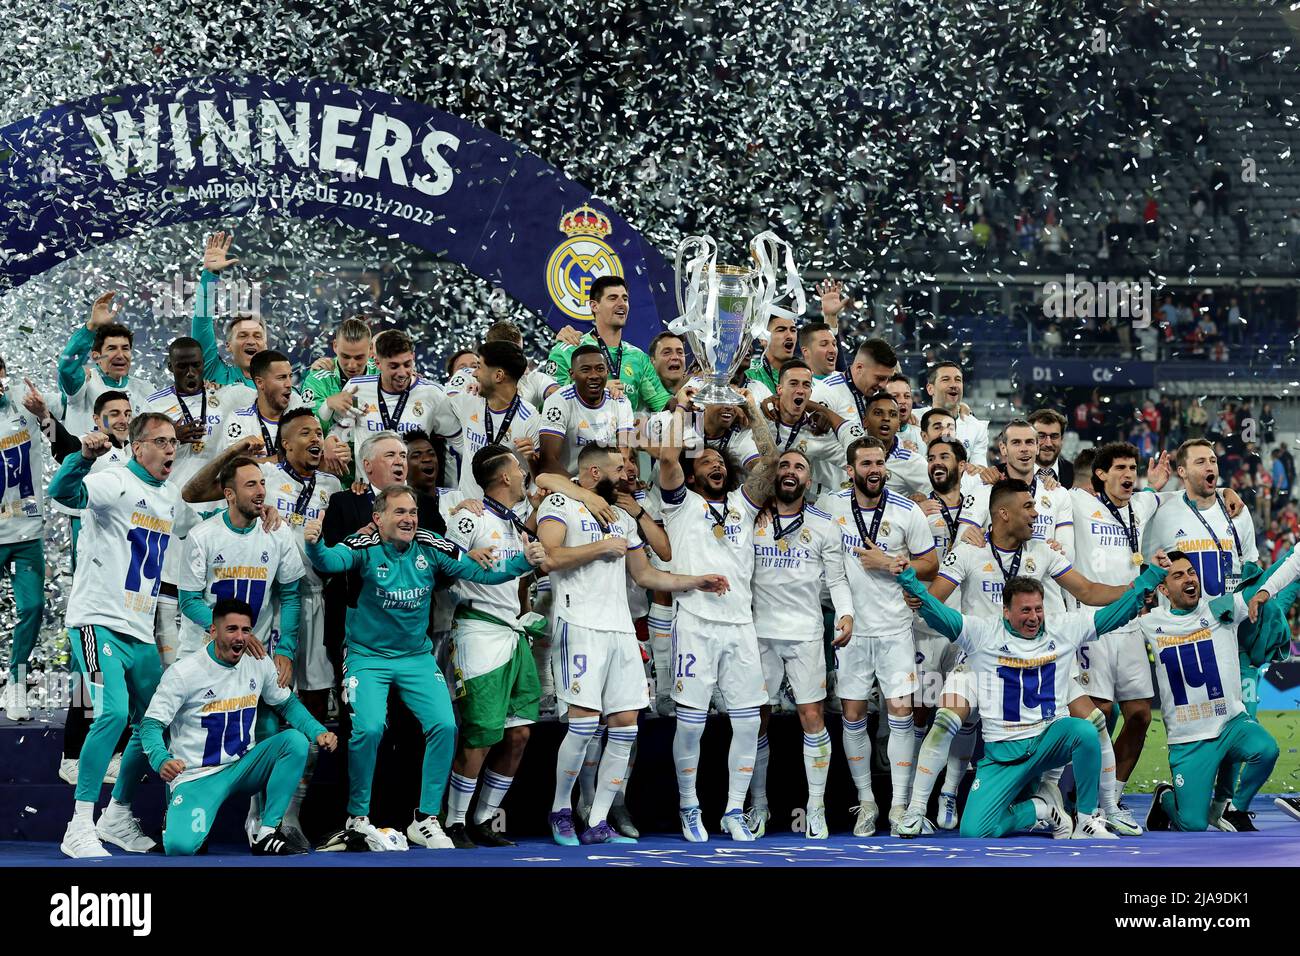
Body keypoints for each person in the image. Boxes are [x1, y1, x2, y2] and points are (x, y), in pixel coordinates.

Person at [303, 485, 546, 849]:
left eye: (413, 512)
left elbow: (477, 572)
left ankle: (426, 818)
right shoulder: (363, 545)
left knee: (445, 726)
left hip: (416, 657)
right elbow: (329, 562)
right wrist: (314, 545)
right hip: (367, 657)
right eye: (400, 512)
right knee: (369, 729)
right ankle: (358, 817)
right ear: (378, 518)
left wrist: (522, 562)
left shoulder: (431, 545)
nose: (409, 519)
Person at [539, 444, 728, 845]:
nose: (626, 475)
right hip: (578, 624)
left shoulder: (622, 516)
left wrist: (695, 581)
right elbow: (549, 558)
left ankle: (598, 820)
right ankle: (560, 810)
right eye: (617, 470)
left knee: (625, 728)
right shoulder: (560, 503)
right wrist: (599, 547)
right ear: (593, 473)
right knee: (584, 725)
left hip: (621, 629)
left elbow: (645, 575)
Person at [895, 564, 1168, 838]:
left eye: (1038, 609)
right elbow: (937, 613)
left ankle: (1088, 818)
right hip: (1003, 754)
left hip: (1047, 741)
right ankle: (1040, 808)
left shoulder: (1063, 628)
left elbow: (1114, 615)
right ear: (1006, 611)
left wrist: (1152, 576)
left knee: (1087, 729)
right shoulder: (981, 633)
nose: (1034, 617)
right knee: (974, 831)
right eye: (1025, 610)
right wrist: (909, 581)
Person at [52, 412, 183, 858]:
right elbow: (63, 493)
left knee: (154, 721)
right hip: (97, 622)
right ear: (138, 447)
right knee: (112, 713)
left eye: (173, 441)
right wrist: (81, 458)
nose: (171, 448)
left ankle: (117, 814)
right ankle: (78, 825)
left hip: (139, 630)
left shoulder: (168, 495)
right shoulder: (115, 481)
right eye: (161, 441)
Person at [656, 394, 778, 842]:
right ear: (692, 475)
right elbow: (667, 456)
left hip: (740, 626)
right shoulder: (680, 504)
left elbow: (771, 462)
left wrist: (752, 407)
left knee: (748, 722)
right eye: (707, 462)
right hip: (695, 623)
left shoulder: (743, 505)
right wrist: (682, 407)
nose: (717, 466)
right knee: (691, 724)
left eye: (721, 462)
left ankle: (732, 810)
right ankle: (689, 805)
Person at [141, 598, 338, 855]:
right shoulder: (183, 673)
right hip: (198, 775)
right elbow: (150, 725)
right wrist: (161, 759)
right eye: (232, 629)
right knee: (180, 848)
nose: (240, 637)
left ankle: (267, 832)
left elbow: (287, 703)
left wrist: (317, 731)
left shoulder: (258, 661)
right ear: (213, 631)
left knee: (295, 741)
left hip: (244, 766)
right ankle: (178, 817)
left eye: (246, 630)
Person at [817, 436, 938, 835]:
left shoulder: (906, 510)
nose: (875, 470)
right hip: (851, 631)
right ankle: (867, 802)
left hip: (895, 629)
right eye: (866, 464)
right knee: (853, 716)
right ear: (849, 470)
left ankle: (899, 805)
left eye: (879, 463)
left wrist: (889, 563)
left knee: (901, 713)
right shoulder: (831, 506)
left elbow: (931, 564)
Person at [745, 449, 854, 839]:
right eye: (785, 465)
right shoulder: (752, 517)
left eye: (799, 467)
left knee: (812, 716)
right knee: (756, 719)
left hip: (806, 633)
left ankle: (816, 808)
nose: (790, 471)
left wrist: (846, 614)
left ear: (809, 480)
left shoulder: (825, 524)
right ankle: (758, 805)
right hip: (758, 632)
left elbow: (837, 578)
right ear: (776, 475)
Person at [443, 445, 545, 848]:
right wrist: (467, 555)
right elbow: (446, 566)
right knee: (481, 734)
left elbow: (518, 582)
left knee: (518, 735)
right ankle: (454, 822)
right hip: (478, 631)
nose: (523, 475)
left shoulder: (514, 521)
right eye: (518, 469)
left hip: (513, 633)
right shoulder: (470, 516)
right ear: (504, 476)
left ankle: (484, 819)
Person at [1142, 553, 1286, 833]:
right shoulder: (1148, 623)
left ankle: (1231, 808)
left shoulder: (1221, 608)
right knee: (1192, 825)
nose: (1189, 579)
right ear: (1163, 589)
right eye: (1178, 575)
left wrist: (1296, 555)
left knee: (1266, 749)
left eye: (1191, 572)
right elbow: (1111, 614)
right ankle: (1165, 798)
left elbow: (1268, 581)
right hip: (1189, 739)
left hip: (1230, 725)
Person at [145, 336, 225, 666]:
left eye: (196, 365)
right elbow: (139, 458)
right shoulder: (153, 406)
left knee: (210, 597)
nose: (191, 373)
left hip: (216, 515)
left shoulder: (223, 397)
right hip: (172, 517)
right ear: (169, 367)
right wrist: (171, 437)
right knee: (169, 604)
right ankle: (169, 679)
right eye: (182, 366)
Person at [177, 456, 303, 665]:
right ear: (229, 494)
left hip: (254, 655)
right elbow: (189, 601)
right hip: (201, 652)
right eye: (251, 485)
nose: (261, 491)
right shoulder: (202, 535)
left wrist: (285, 648)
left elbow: (291, 595)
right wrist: (232, 633)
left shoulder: (278, 531)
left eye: (262, 483)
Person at [0, 360, 54, 720]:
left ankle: (16, 683)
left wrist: (44, 415)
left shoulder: (25, 398)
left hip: (24, 531)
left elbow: (62, 436)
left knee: (32, 606)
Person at [331, 329, 457, 483]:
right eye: (394, 366)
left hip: (413, 493)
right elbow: (341, 429)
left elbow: (457, 444)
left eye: (407, 364)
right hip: (367, 491)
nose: (402, 373)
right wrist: (331, 440)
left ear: (413, 358)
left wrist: (452, 489)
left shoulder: (433, 394)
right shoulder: (357, 390)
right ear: (378, 363)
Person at [1142, 439, 1258, 596]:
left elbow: (1251, 566)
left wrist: (1226, 491)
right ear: (1182, 471)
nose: (1209, 466)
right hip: (1180, 613)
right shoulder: (1161, 511)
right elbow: (1143, 566)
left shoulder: (1236, 509)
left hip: (1231, 611)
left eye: (1213, 461)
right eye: (1200, 462)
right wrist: (1150, 488)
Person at [545, 276, 672, 413]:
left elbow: (663, 404)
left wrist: (683, 397)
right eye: (613, 298)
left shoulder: (639, 358)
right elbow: (550, 403)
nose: (622, 303)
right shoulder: (567, 350)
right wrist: (594, 389)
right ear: (594, 306)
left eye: (625, 299)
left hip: (626, 427)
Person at [435, 340, 541, 498]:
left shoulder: (530, 419)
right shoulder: (468, 399)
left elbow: (540, 478)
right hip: (469, 507)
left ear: (498, 376)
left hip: (510, 510)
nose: (474, 374)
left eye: (479, 367)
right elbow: (443, 391)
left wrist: (532, 459)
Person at [57, 291, 155, 436]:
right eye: (112, 348)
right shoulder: (84, 383)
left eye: (125, 348)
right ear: (96, 356)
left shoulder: (144, 389)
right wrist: (91, 326)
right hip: (84, 451)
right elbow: (66, 366)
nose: (120, 355)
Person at [759, 361, 863, 496]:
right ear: (779, 389)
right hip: (753, 495)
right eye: (793, 383)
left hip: (792, 499)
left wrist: (820, 409)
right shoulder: (761, 416)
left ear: (810, 392)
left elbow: (860, 455)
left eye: (806, 385)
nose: (800, 390)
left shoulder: (817, 431)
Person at [538, 344, 635, 476]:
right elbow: (548, 462)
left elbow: (624, 455)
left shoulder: (620, 402)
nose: (594, 375)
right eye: (585, 370)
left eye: (600, 369)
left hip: (608, 480)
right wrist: (579, 487)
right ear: (572, 374)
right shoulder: (558, 402)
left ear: (607, 372)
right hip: (567, 480)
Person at [191, 232, 268, 389]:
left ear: (265, 345)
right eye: (243, 335)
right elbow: (202, 321)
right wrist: (210, 274)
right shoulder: (215, 372)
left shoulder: (280, 384)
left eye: (258, 336)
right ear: (228, 345)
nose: (251, 341)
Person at [302, 317, 374, 434]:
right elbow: (307, 429)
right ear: (335, 346)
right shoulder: (318, 380)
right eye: (345, 356)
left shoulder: (382, 372)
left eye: (359, 357)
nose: (352, 365)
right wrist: (327, 405)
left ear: (370, 348)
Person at [810, 338, 898, 430]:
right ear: (859, 368)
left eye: (888, 378)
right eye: (879, 378)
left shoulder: (874, 393)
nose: (883, 385)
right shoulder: (826, 393)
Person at [913, 361, 990, 465]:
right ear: (930, 389)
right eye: (946, 380)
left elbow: (979, 470)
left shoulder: (977, 428)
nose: (953, 385)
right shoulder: (913, 419)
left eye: (958, 380)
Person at [745, 314, 799, 398]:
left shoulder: (804, 375)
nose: (790, 336)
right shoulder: (749, 373)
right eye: (781, 330)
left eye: (793, 330)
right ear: (763, 339)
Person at [1028, 408, 1073, 488]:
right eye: (1041, 436)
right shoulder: (1010, 473)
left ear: (1062, 439)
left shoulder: (1075, 474)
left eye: (1054, 436)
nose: (1048, 444)